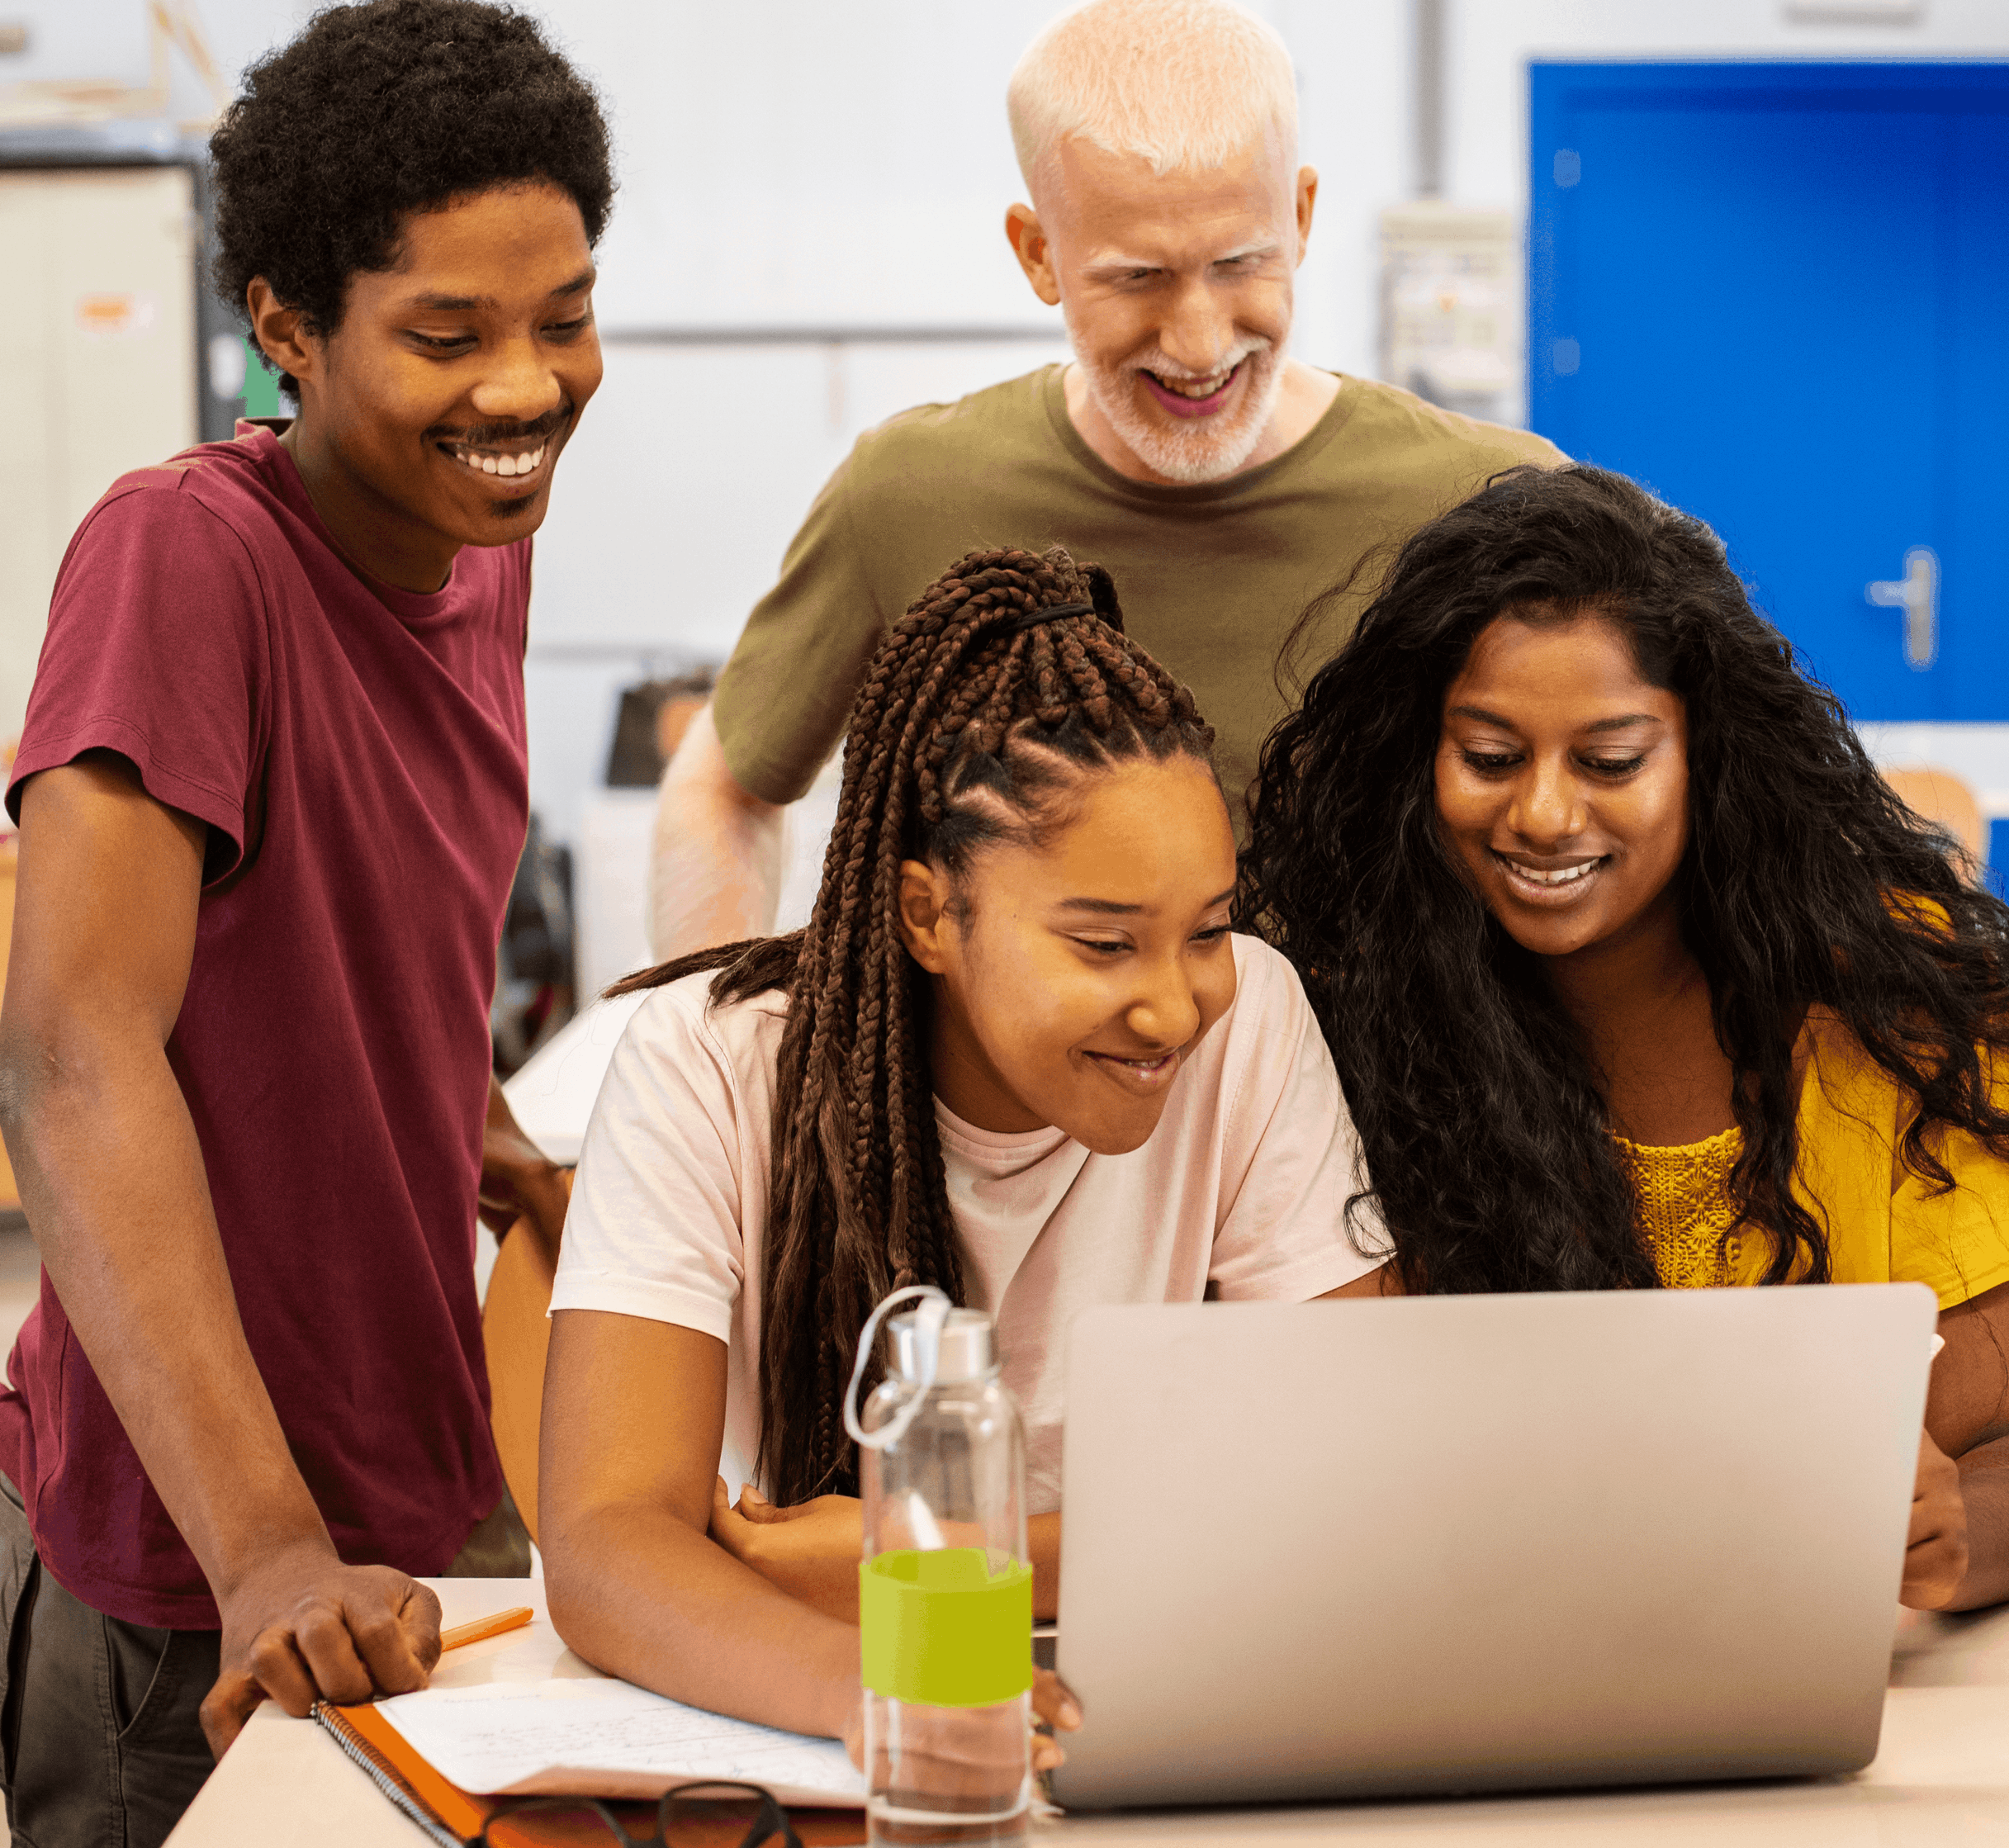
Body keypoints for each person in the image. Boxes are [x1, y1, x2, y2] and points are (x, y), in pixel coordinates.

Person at [0, 0, 611, 1848]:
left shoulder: (472, 538)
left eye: (567, 312)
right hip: (197, 1549)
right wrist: (262, 1549)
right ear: (287, 320)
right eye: (447, 333)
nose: (524, 384)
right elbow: (72, 1056)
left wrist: (484, 1133)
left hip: (418, 1483)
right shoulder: (187, 560)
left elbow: (358, 923)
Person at [542, 549, 1386, 1739]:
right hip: (810, 1708)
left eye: (1208, 929)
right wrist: (902, 1693)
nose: (1176, 1006)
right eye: (1103, 945)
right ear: (931, 914)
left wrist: (938, 1554)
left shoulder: (1251, 1023)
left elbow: (1350, 1488)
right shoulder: (710, 1061)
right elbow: (606, 1549)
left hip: (1157, 1700)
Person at [1239, 465, 2009, 1611]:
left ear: (1709, 761)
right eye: (1491, 758)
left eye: (1610, 761)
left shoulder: (1903, 1008)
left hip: (1859, 1681)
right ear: (1418, 762)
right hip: (1488, 1654)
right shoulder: (1344, 1022)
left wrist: (1956, 1539)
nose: (1545, 815)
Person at [648, 0, 1556, 958]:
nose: (1201, 342)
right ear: (1039, 254)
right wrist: (718, 1081)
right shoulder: (908, 495)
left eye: (1241, 263)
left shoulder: (1492, 506)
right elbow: (726, 790)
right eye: (1138, 278)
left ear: (1300, 216)